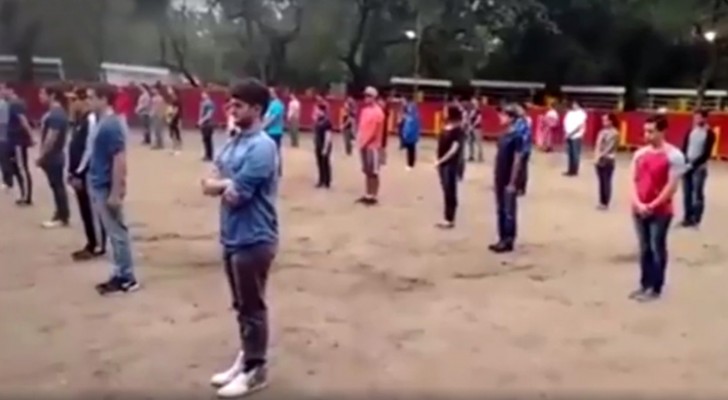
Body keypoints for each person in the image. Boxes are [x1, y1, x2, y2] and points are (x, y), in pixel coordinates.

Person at [201, 78, 278, 398]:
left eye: (238, 105)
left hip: (255, 236)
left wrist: (219, 184)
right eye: (230, 104)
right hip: (232, 234)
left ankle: (256, 369)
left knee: (252, 307)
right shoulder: (234, 141)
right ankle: (246, 358)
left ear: (256, 109)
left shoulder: (263, 146)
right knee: (240, 304)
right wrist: (220, 183)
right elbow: (212, 176)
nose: (231, 109)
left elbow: (236, 194)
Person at [87, 85, 139, 295]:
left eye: (92, 97)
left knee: (117, 232)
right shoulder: (102, 123)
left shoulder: (111, 125)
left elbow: (119, 160)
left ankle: (127, 277)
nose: (89, 102)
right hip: (99, 181)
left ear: (103, 99)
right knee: (113, 231)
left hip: (106, 184)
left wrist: (116, 191)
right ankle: (119, 272)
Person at [629, 114, 686, 302]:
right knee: (644, 247)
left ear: (662, 131)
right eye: (646, 131)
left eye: (651, 131)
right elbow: (632, 181)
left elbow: (672, 186)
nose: (647, 135)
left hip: (660, 211)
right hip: (639, 208)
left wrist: (652, 205)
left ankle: (656, 287)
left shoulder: (674, 156)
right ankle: (645, 283)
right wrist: (638, 203)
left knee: (656, 247)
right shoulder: (640, 154)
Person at [67, 87, 106, 261]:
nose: (71, 104)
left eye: (74, 100)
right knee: (85, 209)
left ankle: (96, 244)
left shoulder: (90, 120)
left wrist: (79, 172)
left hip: (86, 172)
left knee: (91, 209)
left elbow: (89, 148)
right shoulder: (80, 121)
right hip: (79, 171)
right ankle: (91, 242)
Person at [489, 105, 525, 254]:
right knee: (500, 208)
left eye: (504, 116)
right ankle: (502, 237)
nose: (500, 118)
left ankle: (508, 239)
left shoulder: (516, 136)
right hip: (500, 175)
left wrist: (512, 181)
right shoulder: (504, 135)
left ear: (511, 118)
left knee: (508, 209)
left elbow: (517, 159)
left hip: (508, 176)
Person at [37, 85, 71, 229]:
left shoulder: (56, 114)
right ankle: (61, 214)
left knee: (57, 186)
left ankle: (62, 215)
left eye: (42, 93)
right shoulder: (55, 113)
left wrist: (42, 155)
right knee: (56, 186)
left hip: (54, 156)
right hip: (54, 155)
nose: (40, 96)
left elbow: (52, 136)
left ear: (52, 95)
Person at [680, 109, 716, 228]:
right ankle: (687, 217)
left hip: (699, 167)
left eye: (699, 118)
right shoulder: (691, 130)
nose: (696, 120)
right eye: (695, 117)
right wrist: (684, 161)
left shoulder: (710, 133)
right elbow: (685, 147)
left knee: (697, 194)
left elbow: (706, 153)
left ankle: (696, 219)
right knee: (686, 193)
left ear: (705, 118)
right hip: (687, 164)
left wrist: (693, 164)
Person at [434, 105, 465, 229]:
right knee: (446, 190)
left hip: (450, 163)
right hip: (443, 163)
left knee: (450, 190)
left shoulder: (458, 129)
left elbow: (454, 149)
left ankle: (450, 218)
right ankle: (447, 217)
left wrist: (441, 160)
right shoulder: (447, 126)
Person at [355, 86, 385, 206]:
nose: (366, 98)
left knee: (374, 172)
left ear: (374, 97)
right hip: (364, 144)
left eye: (369, 96)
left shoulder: (378, 112)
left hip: (373, 146)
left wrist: (365, 142)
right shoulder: (364, 111)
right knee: (367, 171)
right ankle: (368, 194)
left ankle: (374, 195)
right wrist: (359, 141)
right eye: (365, 95)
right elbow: (361, 128)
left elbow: (375, 132)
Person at [6, 87, 33, 206]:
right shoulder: (12, 103)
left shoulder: (15, 104)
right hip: (14, 140)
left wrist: (31, 137)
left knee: (22, 168)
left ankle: (26, 196)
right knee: (17, 167)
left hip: (18, 141)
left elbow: (23, 121)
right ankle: (24, 194)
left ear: (9, 90)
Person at [594, 113, 619, 209]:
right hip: (600, 158)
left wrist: (600, 155)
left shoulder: (614, 133)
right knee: (601, 181)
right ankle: (601, 201)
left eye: (605, 120)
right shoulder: (601, 132)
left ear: (610, 121)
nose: (603, 122)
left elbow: (609, 147)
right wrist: (596, 156)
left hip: (608, 159)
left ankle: (605, 202)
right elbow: (597, 145)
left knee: (606, 181)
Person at [263, 88, 285, 174]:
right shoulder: (271, 104)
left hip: (275, 131)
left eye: (271, 92)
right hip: (270, 131)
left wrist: (263, 126)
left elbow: (272, 118)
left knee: (275, 150)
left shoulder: (278, 105)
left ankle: (276, 169)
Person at [562, 100, 587, 176]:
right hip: (568, 134)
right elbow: (565, 122)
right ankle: (570, 169)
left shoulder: (582, 113)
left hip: (576, 135)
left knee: (575, 154)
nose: (574, 106)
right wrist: (566, 133)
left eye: (575, 104)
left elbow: (580, 126)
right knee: (570, 153)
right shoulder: (569, 113)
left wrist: (571, 133)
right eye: (573, 104)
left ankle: (574, 170)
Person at [514, 103, 532, 196]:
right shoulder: (527, 119)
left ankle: (519, 187)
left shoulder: (523, 120)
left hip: (522, 147)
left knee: (520, 168)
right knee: (523, 168)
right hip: (526, 147)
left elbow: (522, 135)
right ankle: (521, 187)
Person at [313, 102, 333, 188]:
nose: (316, 111)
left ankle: (327, 181)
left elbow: (328, 136)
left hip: (324, 144)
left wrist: (325, 148)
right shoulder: (318, 120)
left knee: (325, 163)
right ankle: (321, 179)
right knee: (320, 163)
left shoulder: (327, 122)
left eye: (317, 109)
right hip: (318, 144)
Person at [400, 98, 421, 170]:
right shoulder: (414, 115)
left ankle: (410, 164)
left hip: (411, 136)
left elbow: (409, 127)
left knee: (411, 150)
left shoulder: (412, 117)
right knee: (411, 150)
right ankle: (410, 163)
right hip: (412, 136)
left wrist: (405, 134)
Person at [198, 89, 216, 162]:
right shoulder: (203, 103)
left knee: (208, 140)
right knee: (206, 140)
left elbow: (209, 114)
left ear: (207, 94)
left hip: (208, 123)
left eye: (203, 94)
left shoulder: (209, 103)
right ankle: (207, 154)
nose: (202, 95)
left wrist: (202, 120)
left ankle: (209, 155)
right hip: (205, 123)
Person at [0, 83, 12, 190]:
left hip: (3, 136)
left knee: (4, 159)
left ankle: (7, 181)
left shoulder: (3, 104)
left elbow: (3, 122)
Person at [466, 97, 484, 163]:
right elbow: (468, 118)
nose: (473, 104)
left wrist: (472, 126)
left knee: (478, 142)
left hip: (477, 128)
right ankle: (471, 156)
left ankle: (480, 156)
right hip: (471, 127)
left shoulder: (478, 110)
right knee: (470, 142)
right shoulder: (471, 110)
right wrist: (469, 126)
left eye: (474, 102)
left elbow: (478, 119)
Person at [166, 87, 183, 154]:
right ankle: (174, 146)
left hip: (175, 118)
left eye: (169, 89)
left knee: (176, 131)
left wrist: (172, 117)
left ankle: (178, 146)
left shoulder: (176, 99)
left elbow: (176, 110)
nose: (168, 91)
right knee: (172, 132)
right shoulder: (172, 99)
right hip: (172, 117)